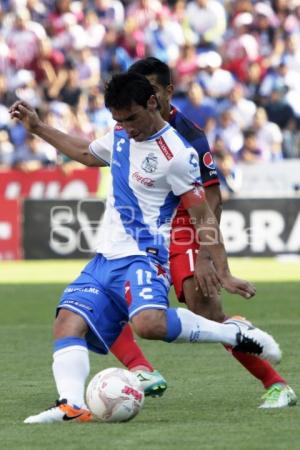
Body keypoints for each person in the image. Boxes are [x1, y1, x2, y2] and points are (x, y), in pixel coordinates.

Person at [10, 73, 280, 424]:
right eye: (118, 120)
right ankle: (71, 407)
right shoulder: (121, 134)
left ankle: (236, 333)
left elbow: (203, 215)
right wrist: (38, 127)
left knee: (148, 323)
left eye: (131, 118)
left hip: (145, 254)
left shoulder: (178, 153)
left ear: (152, 102)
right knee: (67, 322)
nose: (126, 127)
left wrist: (222, 270)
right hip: (105, 256)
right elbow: (84, 152)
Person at [126, 57, 296, 409]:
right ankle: (139, 368)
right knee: (107, 298)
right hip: (143, 225)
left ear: (168, 91)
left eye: (152, 91)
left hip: (183, 222)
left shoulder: (189, 135)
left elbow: (212, 197)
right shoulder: (129, 124)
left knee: (206, 311)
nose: (145, 100)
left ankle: (276, 383)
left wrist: (206, 257)